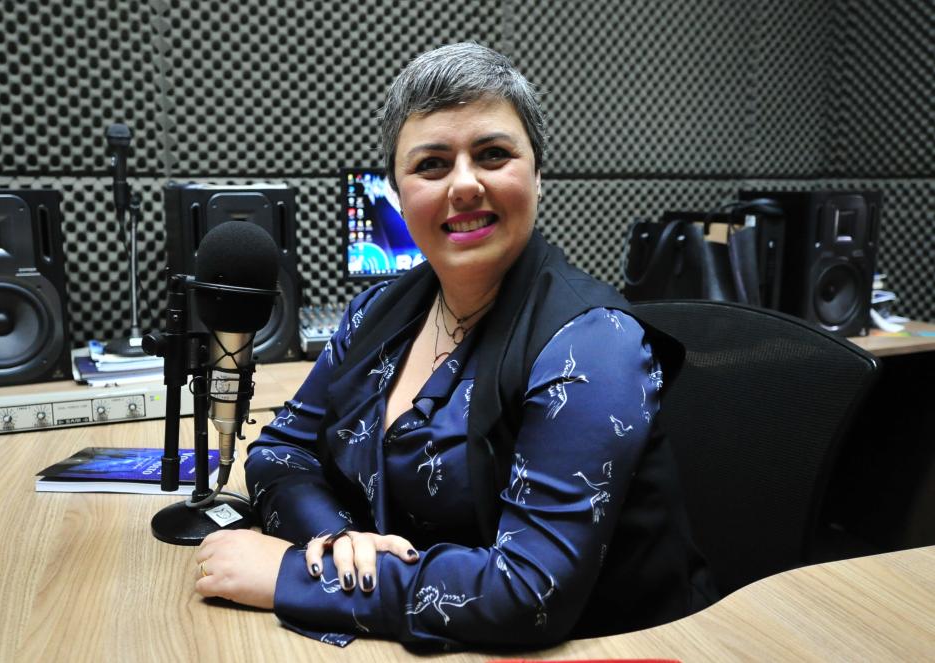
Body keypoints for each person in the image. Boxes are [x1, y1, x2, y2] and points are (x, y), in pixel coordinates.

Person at [193, 41, 715, 649]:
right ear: (398, 192)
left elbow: (530, 594)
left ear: (538, 174)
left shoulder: (594, 345)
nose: (464, 185)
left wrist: (297, 576)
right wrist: (337, 544)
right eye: (432, 164)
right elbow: (280, 451)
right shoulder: (377, 312)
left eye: (493, 154)